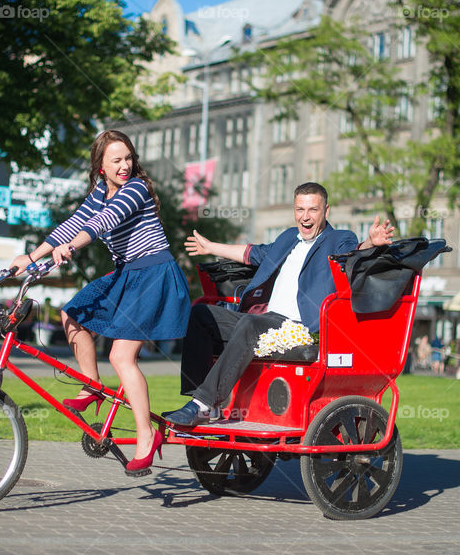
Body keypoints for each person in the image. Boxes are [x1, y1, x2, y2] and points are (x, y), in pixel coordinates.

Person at [9, 130, 189, 475]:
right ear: (100, 166)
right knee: (72, 314)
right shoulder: (99, 192)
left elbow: (103, 222)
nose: (125, 166)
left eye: (128, 158)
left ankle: (146, 435)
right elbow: (77, 221)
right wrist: (30, 257)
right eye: (116, 160)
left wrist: (73, 248)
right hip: (127, 274)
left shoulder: (135, 189)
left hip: (154, 274)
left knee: (121, 356)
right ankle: (91, 385)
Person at [164, 182, 393, 427]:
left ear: (326, 212)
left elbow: (352, 255)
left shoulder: (339, 238)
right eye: (300, 209)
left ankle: (203, 404)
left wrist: (370, 243)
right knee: (200, 314)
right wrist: (210, 247)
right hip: (267, 319)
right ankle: (197, 399)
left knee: (253, 325)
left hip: (300, 327)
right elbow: (252, 253)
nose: (305, 217)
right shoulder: (287, 239)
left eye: (312, 210)